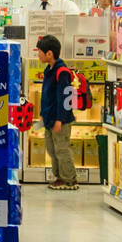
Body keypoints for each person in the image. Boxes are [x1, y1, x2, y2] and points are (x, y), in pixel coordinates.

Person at [36, 34, 79, 190]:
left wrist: (60, 119)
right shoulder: (49, 69)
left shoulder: (62, 72)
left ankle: (69, 179)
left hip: (60, 119)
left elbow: (64, 98)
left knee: (62, 149)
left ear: (49, 54)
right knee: (52, 149)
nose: (38, 54)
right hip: (50, 118)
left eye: (40, 51)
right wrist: (43, 114)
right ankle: (59, 177)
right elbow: (47, 96)